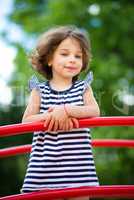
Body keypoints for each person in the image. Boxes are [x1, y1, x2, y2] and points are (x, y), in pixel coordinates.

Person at [21, 25, 100, 200]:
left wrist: (66, 110)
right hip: (45, 170)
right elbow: (26, 121)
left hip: (78, 169)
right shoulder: (39, 91)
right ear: (49, 59)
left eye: (78, 56)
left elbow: (94, 112)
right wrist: (53, 115)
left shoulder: (83, 88)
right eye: (65, 54)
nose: (72, 59)